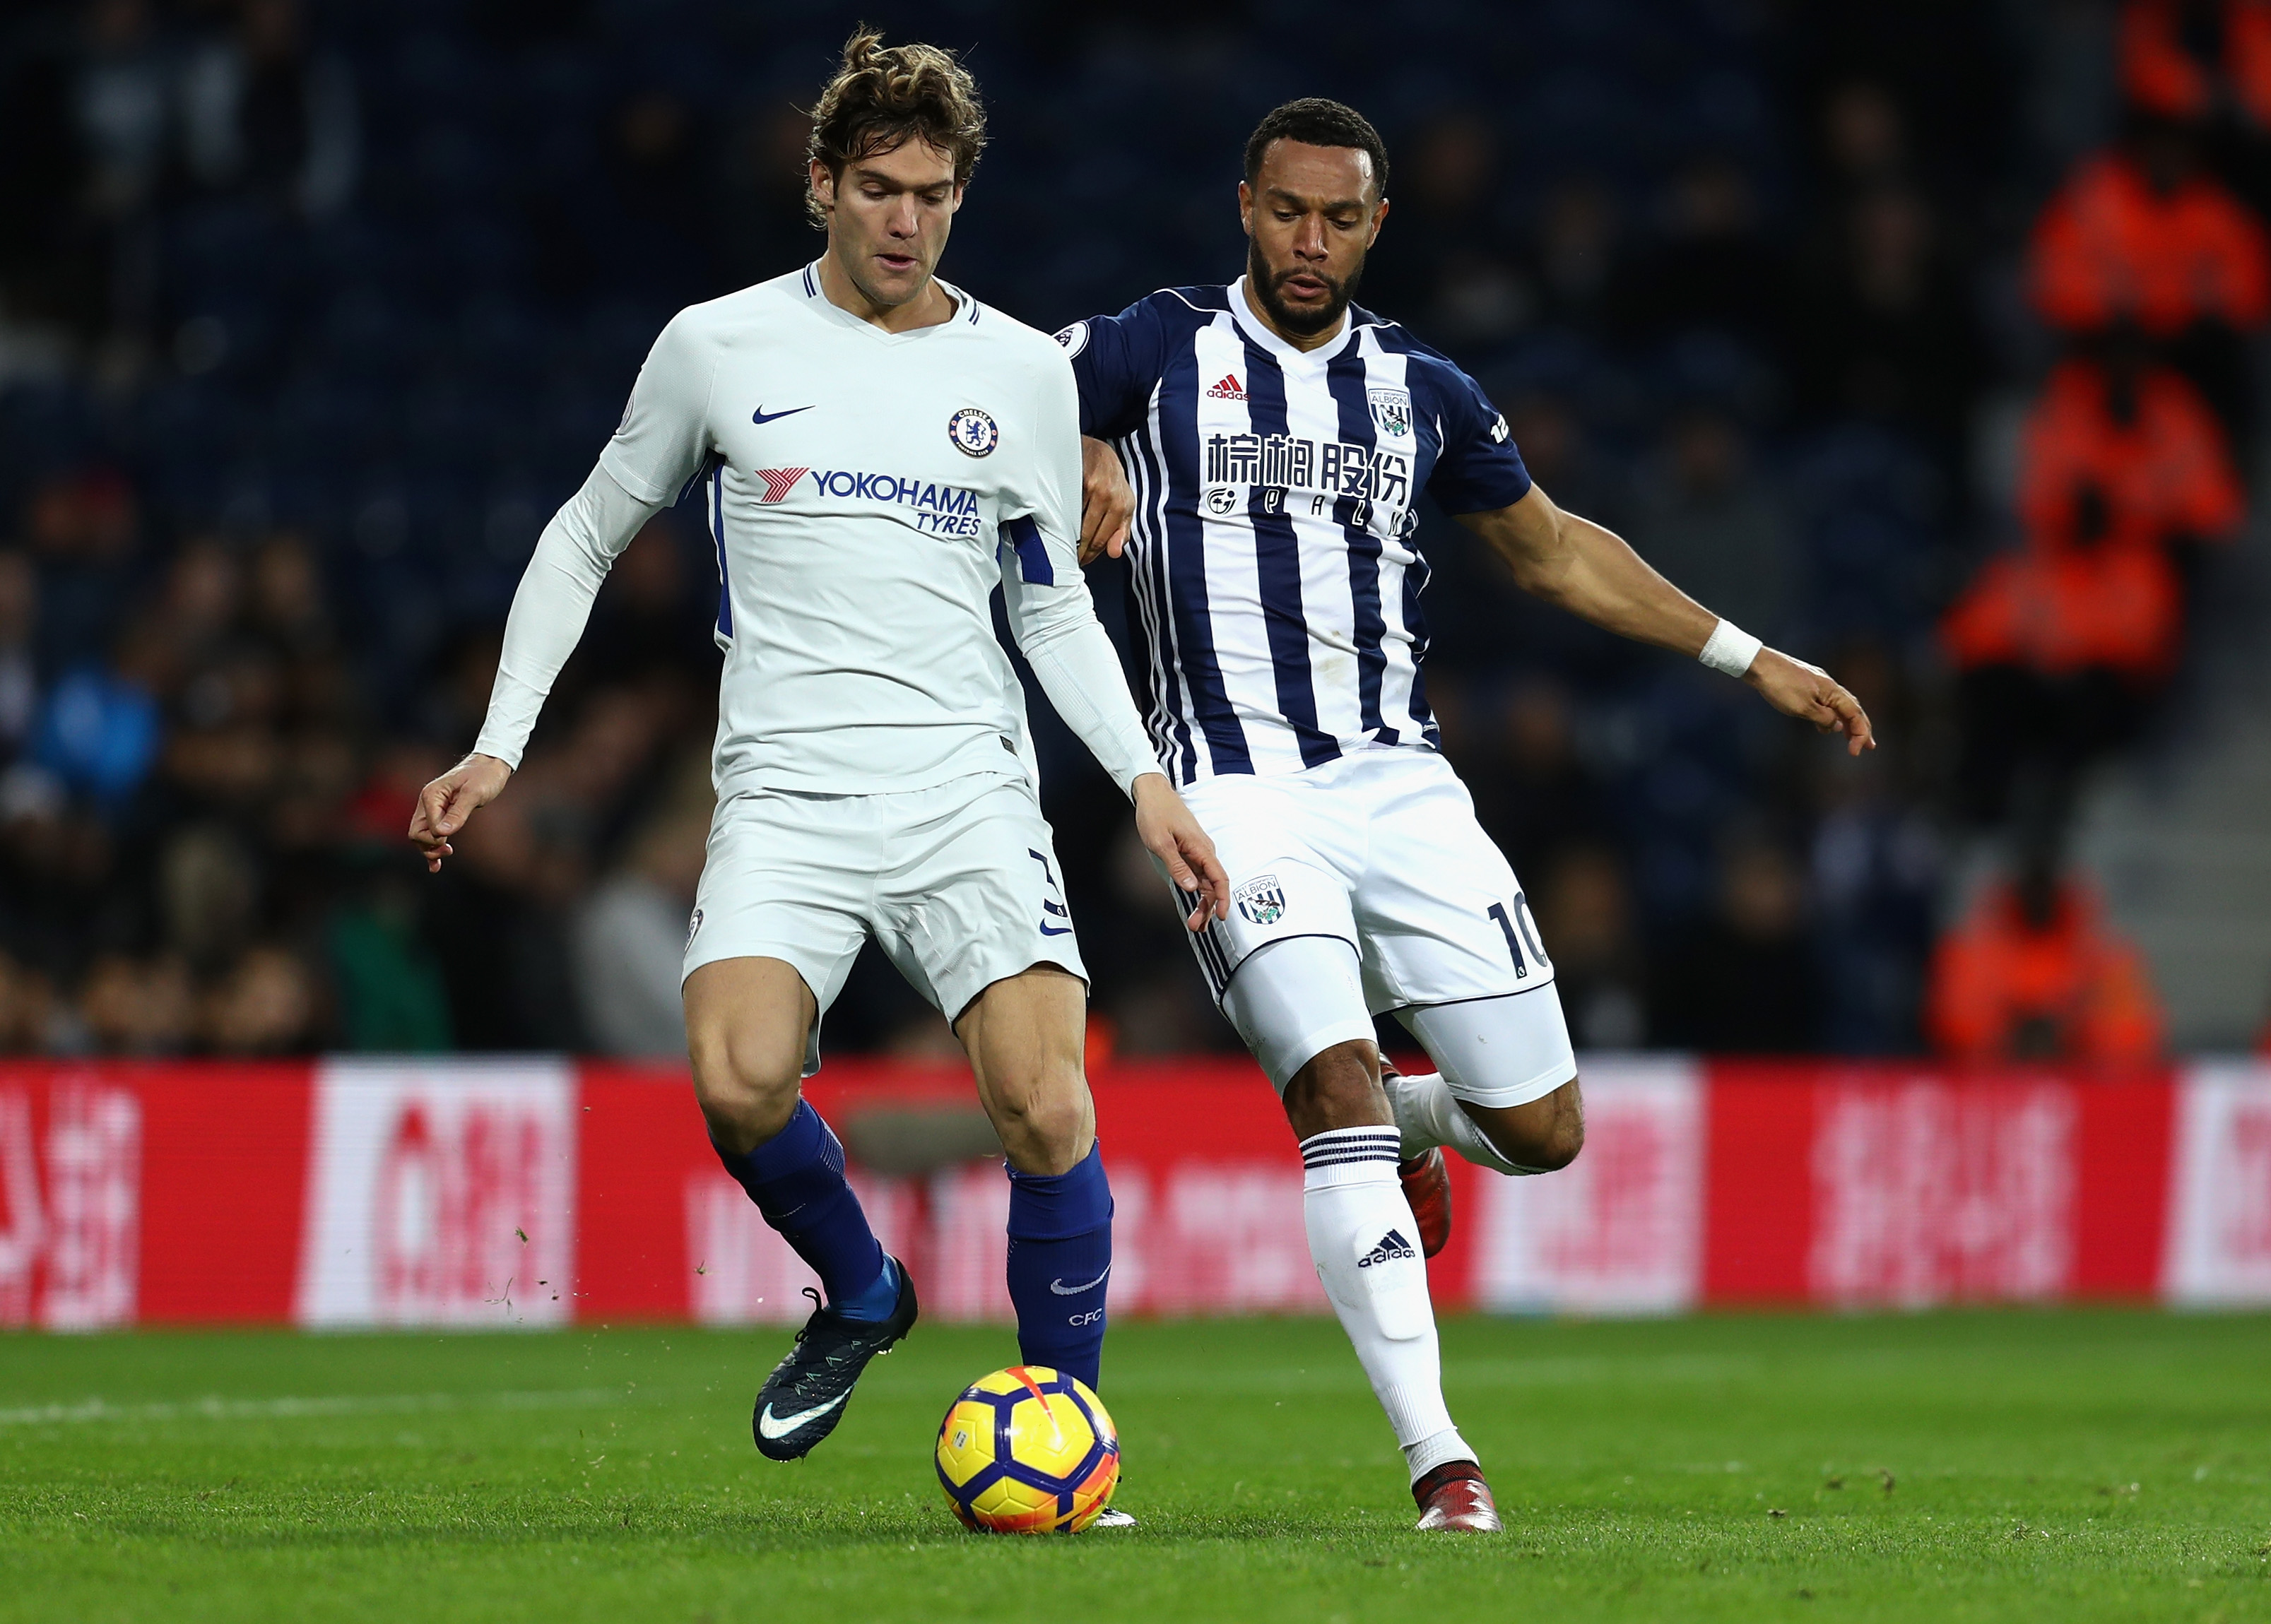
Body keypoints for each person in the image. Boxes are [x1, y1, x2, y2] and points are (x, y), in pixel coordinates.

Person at [408, 32, 1227, 1501]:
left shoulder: (1018, 371)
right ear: (818, 186)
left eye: (931, 191)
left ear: (961, 196)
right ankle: (861, 1290)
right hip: (781, 792)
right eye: (875, 187)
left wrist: (1144, 781)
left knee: (1046, 1106)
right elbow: (588, 532)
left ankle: (1069, 1443)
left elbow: (1048, 602)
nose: (904, 218)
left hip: (965, 789)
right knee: (734, 1081)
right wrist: (496, 742)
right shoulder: (716, 346)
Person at [1065, 98, 1874, 1532]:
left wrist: (1753, 658)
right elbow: (984, 390)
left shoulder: (1422, 390)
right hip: (1232, 792)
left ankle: (1412, 1120)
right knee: (1326, 1086)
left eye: (1338, 217)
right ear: (1240, 207)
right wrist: (1065, 452)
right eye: (1283, 211)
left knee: (1544, 1126)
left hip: (1401, 787)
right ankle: (1442, 1462)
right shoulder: (1147, 347)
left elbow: (1554, 552)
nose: (1307, 242)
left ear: (1379, 224)